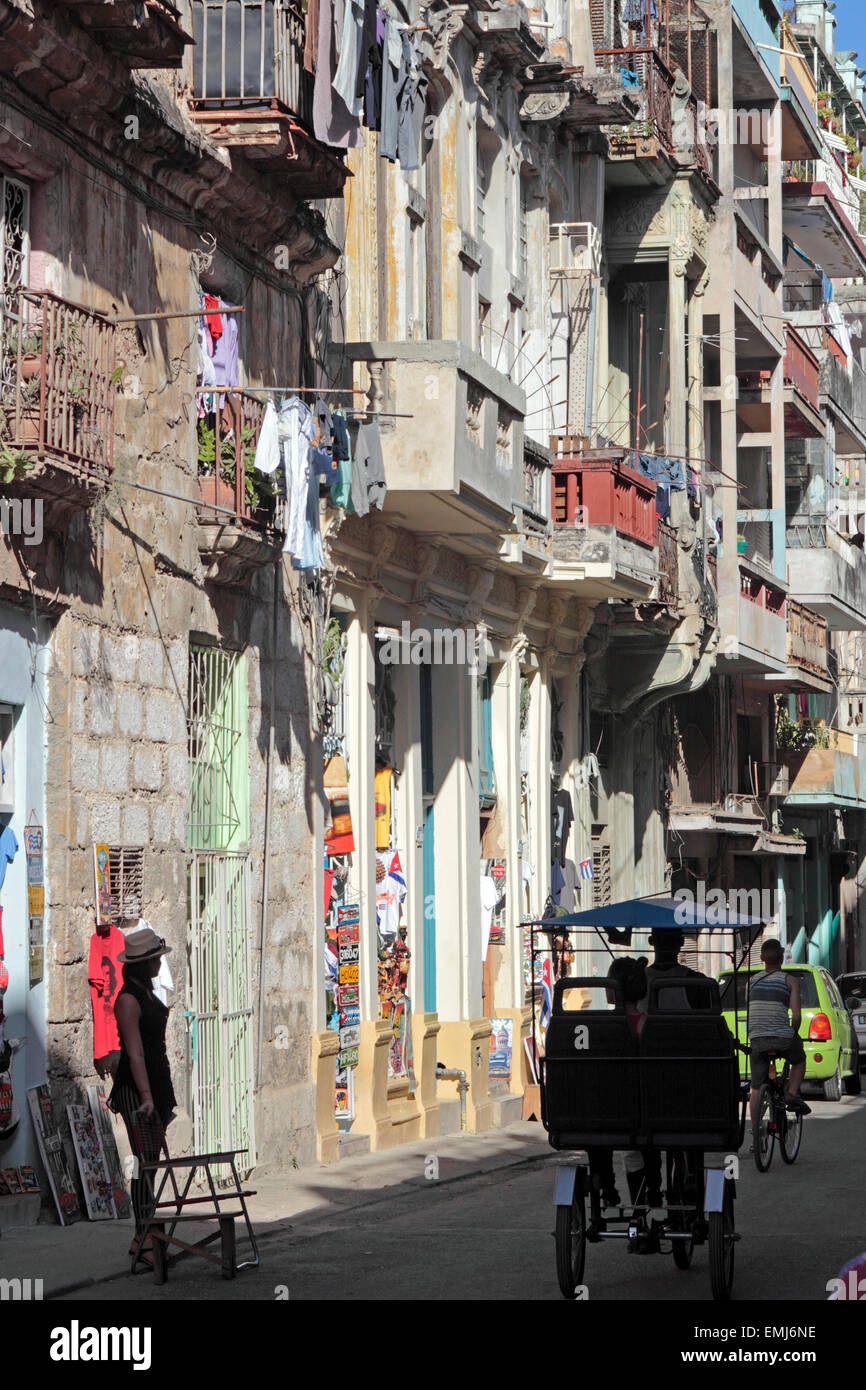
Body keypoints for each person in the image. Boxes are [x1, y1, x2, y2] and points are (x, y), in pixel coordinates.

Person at [108, 924, 176, 1270]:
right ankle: (143, 1236)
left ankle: (145, 1236)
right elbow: (134, 1052)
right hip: (136, 1088)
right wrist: (147, 1096)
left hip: (155, 1080)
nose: (157, 965)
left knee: (150, 1162)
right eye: (153, 960)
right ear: (142, 963)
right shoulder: (127, 1000)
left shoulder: (146, 993)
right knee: (143, 1162)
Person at [588, 955, 649, 1207]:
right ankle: (639, 1203)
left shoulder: (600, 1026)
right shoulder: (648, 1025)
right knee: (633, 1151)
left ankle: (607, 1188)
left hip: (608, 1107)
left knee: (597, 1133)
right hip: (644, 1106)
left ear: (613, 989)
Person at [747, 938, 810, 1122]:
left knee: (756, 1087)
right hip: (782, 1038)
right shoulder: (790, 981)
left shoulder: (752, 981)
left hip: (757, 1039)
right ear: (782, 959)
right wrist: (794, 1034)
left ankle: (756, 1132)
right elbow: (796, 1016)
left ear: (761, 958)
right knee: (799, 1061)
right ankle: (791, 1093)